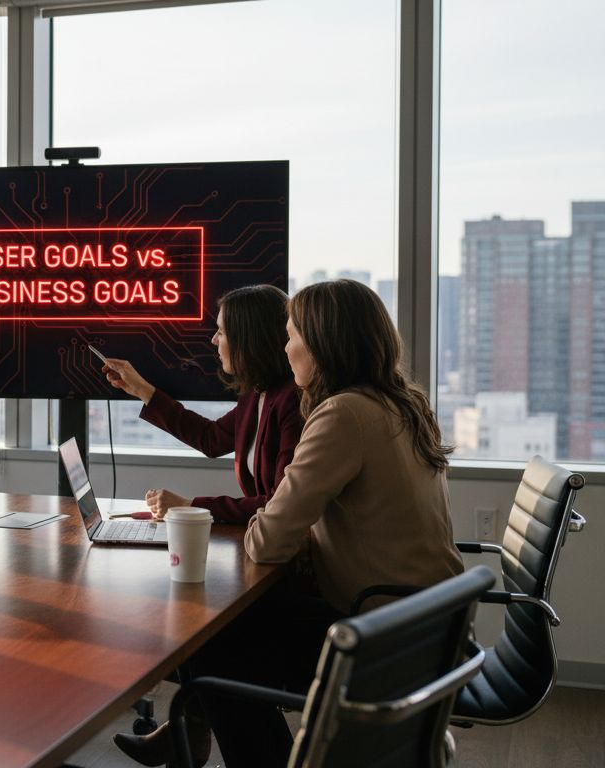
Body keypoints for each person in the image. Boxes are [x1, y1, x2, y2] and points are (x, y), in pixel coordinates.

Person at [114, 279, 464, 767]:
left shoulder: (341, 414)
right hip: (430, 623)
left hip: (380, 633)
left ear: (321, 347)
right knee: (223, 631)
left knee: (212, 642)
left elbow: (268, 539)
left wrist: (279, 524)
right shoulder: (402, 402)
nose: (285, 347)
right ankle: (194, 736)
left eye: (292, 335)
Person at [102, 284, 303, 523]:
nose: (213, 339)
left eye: (222, 332)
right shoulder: (257, 392)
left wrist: (190, 506)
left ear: (248, 339)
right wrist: (141, 390)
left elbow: (277, 504)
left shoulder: (293, 400)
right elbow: (212, 438)